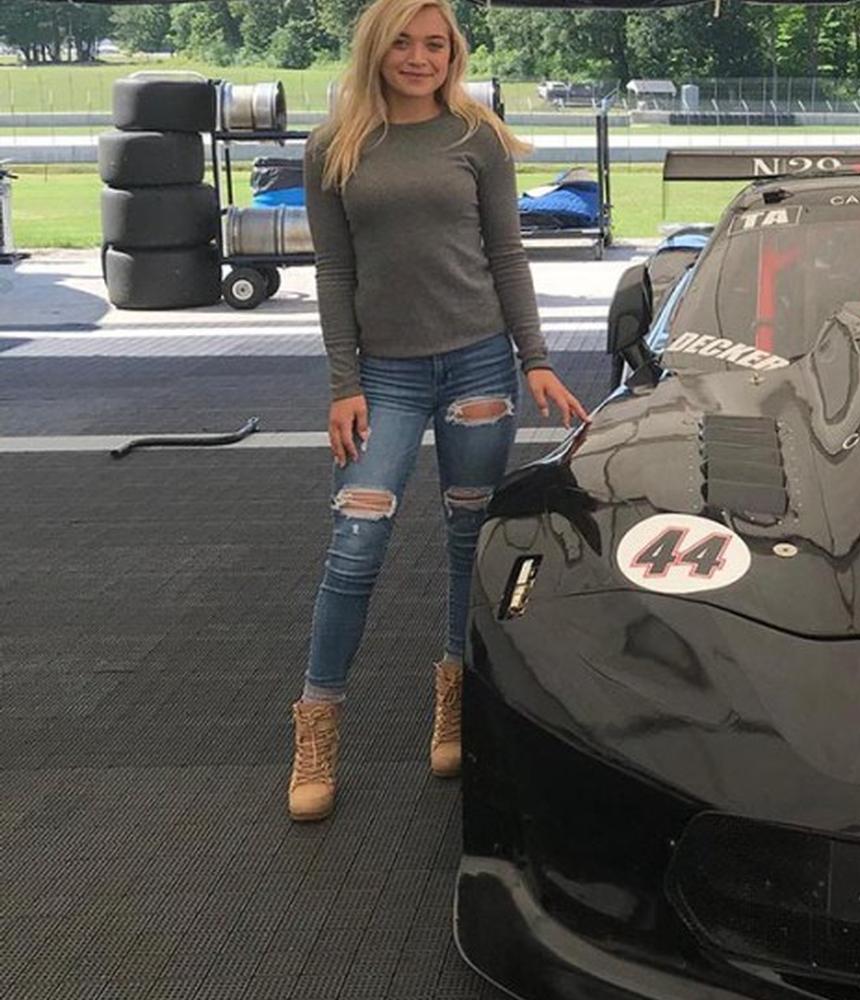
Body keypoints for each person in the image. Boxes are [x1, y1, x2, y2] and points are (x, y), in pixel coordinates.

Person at [289, 0, 587, 822]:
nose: (419, 58)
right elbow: (334, 274)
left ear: (452, 52)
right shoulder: (333, 148)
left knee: (469, 540)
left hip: (479, 364)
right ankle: (317, 723)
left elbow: (505, 254)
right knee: (356, 543)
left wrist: (536, 360)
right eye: (403, 43)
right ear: (375, 49)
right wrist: (343, 383)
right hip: (381, 377)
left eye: (435, 43)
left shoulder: (476, 136)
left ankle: (455, 698)